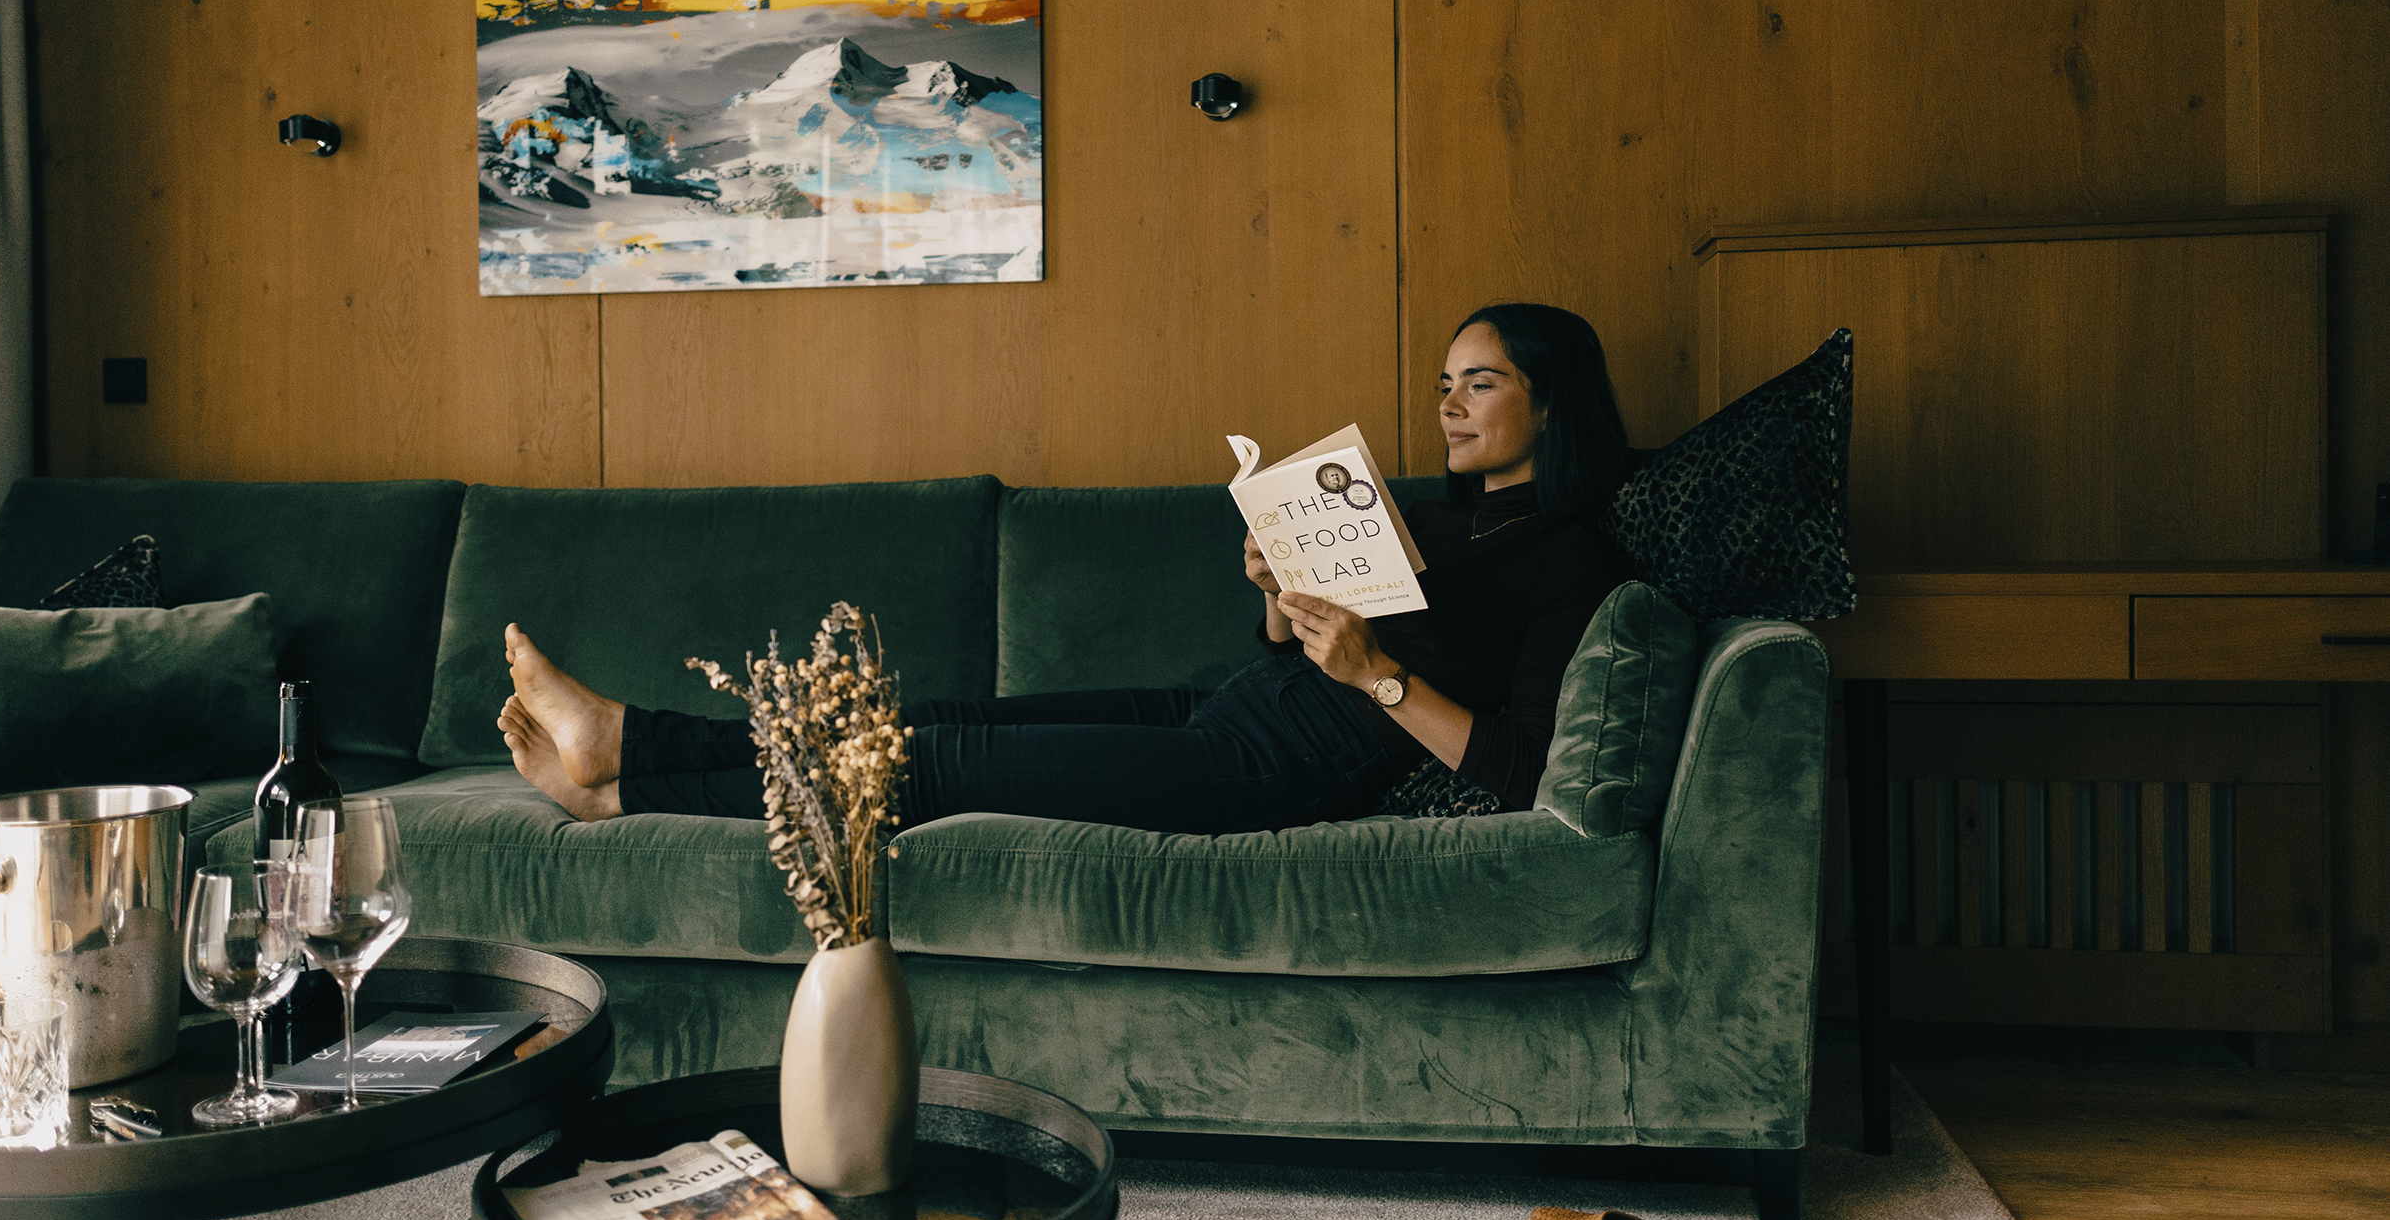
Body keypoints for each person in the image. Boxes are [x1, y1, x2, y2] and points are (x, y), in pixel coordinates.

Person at [499, 302, 1633, 834]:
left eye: (1479, 383)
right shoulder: (1427, 515)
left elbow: (1522, 768)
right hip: (1223, 709)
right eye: (1446, 379)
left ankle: (628, 773)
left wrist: (1377, 673)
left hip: (1269, 776)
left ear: (1552, 398)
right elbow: (1302, 647)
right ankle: (624, 760)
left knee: (938, 766)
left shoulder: (1571, 560)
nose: (1448, 402)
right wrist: (1285, 604)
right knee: (923, 714)